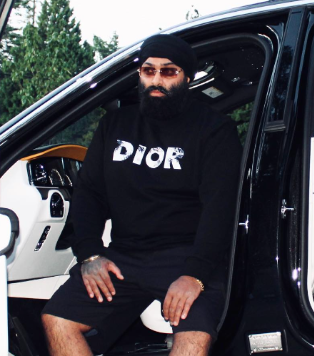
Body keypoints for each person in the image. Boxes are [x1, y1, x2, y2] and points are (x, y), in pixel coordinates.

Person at [42, 34, 243, 356]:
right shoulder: (114, 125)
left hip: (186, 256)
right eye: (149, 71)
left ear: (187, 78)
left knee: (194, 338)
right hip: (123, 256)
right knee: (57, 319)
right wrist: (90, 254)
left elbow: (220, 209)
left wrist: (195, 275)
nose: (157, 80)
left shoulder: (215, 129)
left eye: (169, 71)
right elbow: (89, 193)